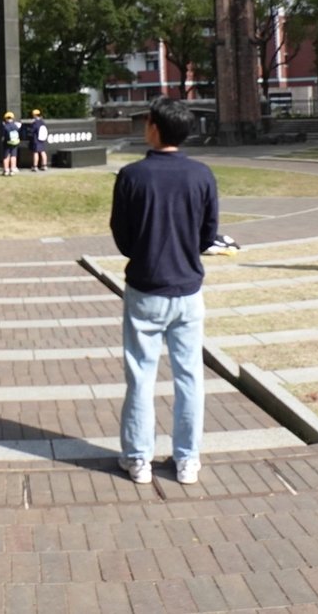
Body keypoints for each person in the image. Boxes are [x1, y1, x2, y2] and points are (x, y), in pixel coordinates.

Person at [110, 96, 217, 486]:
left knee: (141, 375)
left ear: (155, 127)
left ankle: (138, 458)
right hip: (188, 289)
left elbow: (122, 237)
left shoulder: (131, 176)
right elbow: (208, 235)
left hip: (145, 288)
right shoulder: (202, 175)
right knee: (190, 376)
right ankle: (188, 460)